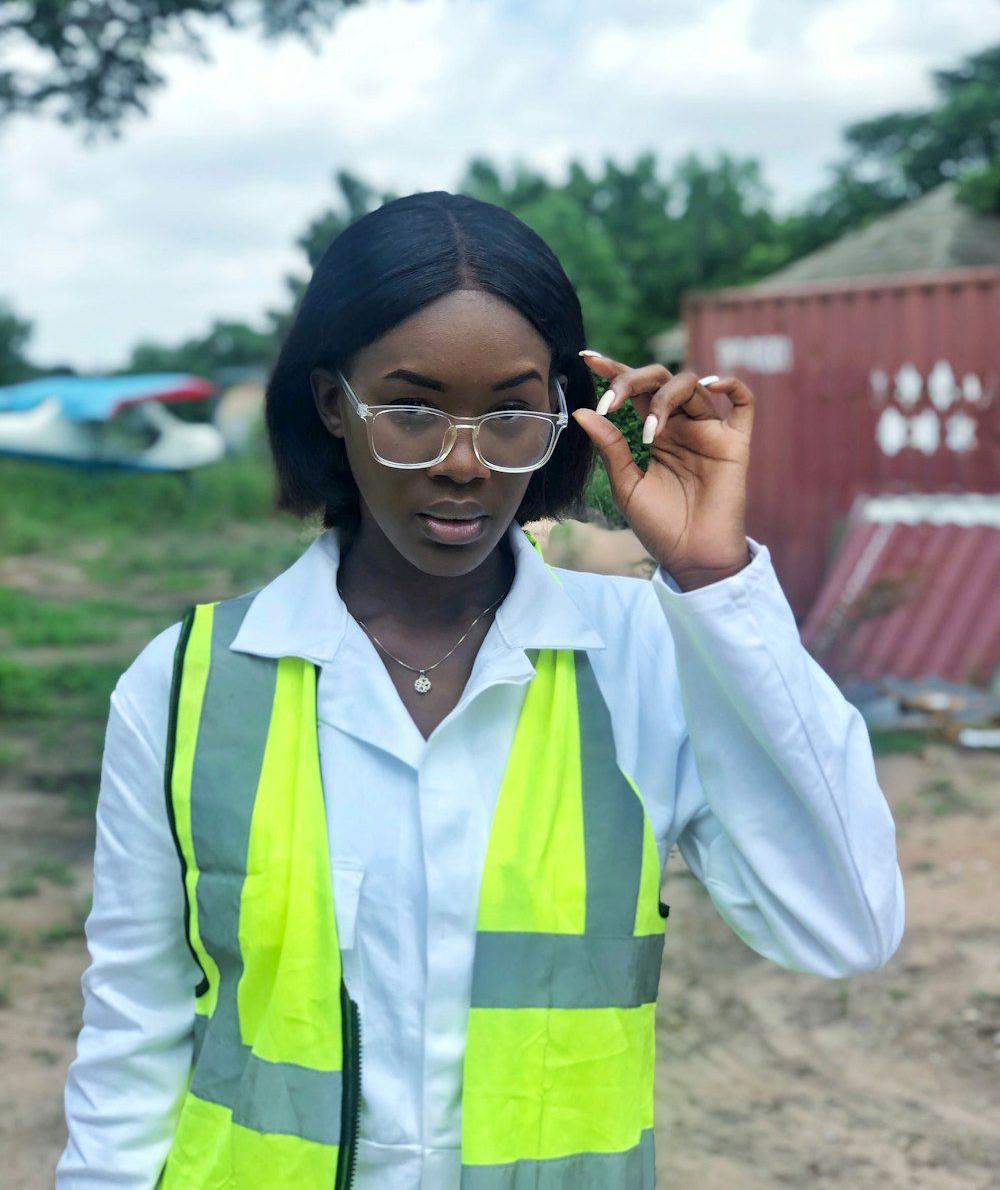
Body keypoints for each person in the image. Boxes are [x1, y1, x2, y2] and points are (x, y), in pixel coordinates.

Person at [57, 191, 904, 1190]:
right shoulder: (188, 681)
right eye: (410, 409)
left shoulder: (645, 655)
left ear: (559, 412)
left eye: (507, 413)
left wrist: (715, 581)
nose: (462, 464)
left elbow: (844, 925)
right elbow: (132, 1027)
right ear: (333, 402)